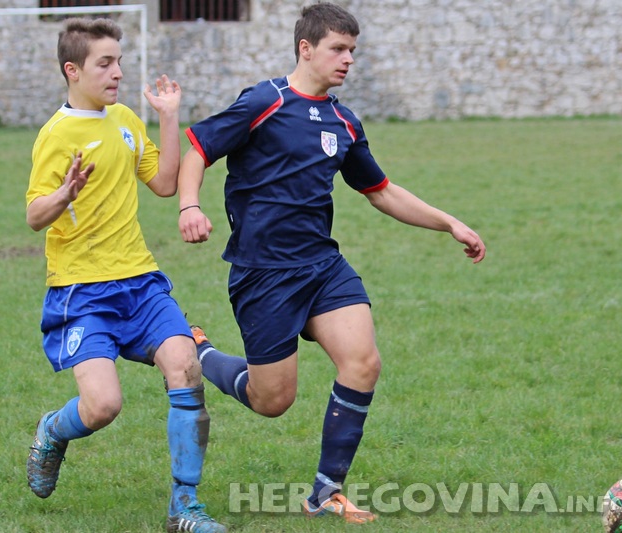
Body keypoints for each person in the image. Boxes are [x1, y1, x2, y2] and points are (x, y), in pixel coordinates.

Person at [177, 2, 485, 525]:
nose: (347, 60)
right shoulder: (264, 100)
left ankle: (325, 490)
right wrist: (189, 204)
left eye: (352, 51)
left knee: (364, 362)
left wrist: (448, 222)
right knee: (272, 400)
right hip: (264, 274)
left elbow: (381, 191)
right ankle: (203, 355)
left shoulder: (344, 121)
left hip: (322, 266)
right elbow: (198, 147)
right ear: (307, 48)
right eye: (338, 49)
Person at [24, 17, 226, 533]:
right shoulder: (56, 134)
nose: (117, 72)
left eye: (119, 61)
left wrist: (167, 117)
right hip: (81, 291)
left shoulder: (124, 119)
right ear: (73, 70)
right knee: (103, 405)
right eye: (105, 63)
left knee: (184, 365)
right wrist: (63, 194)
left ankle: (184, 507)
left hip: (140, 280)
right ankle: (53, 430)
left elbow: (162, 182)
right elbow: (33, 215)